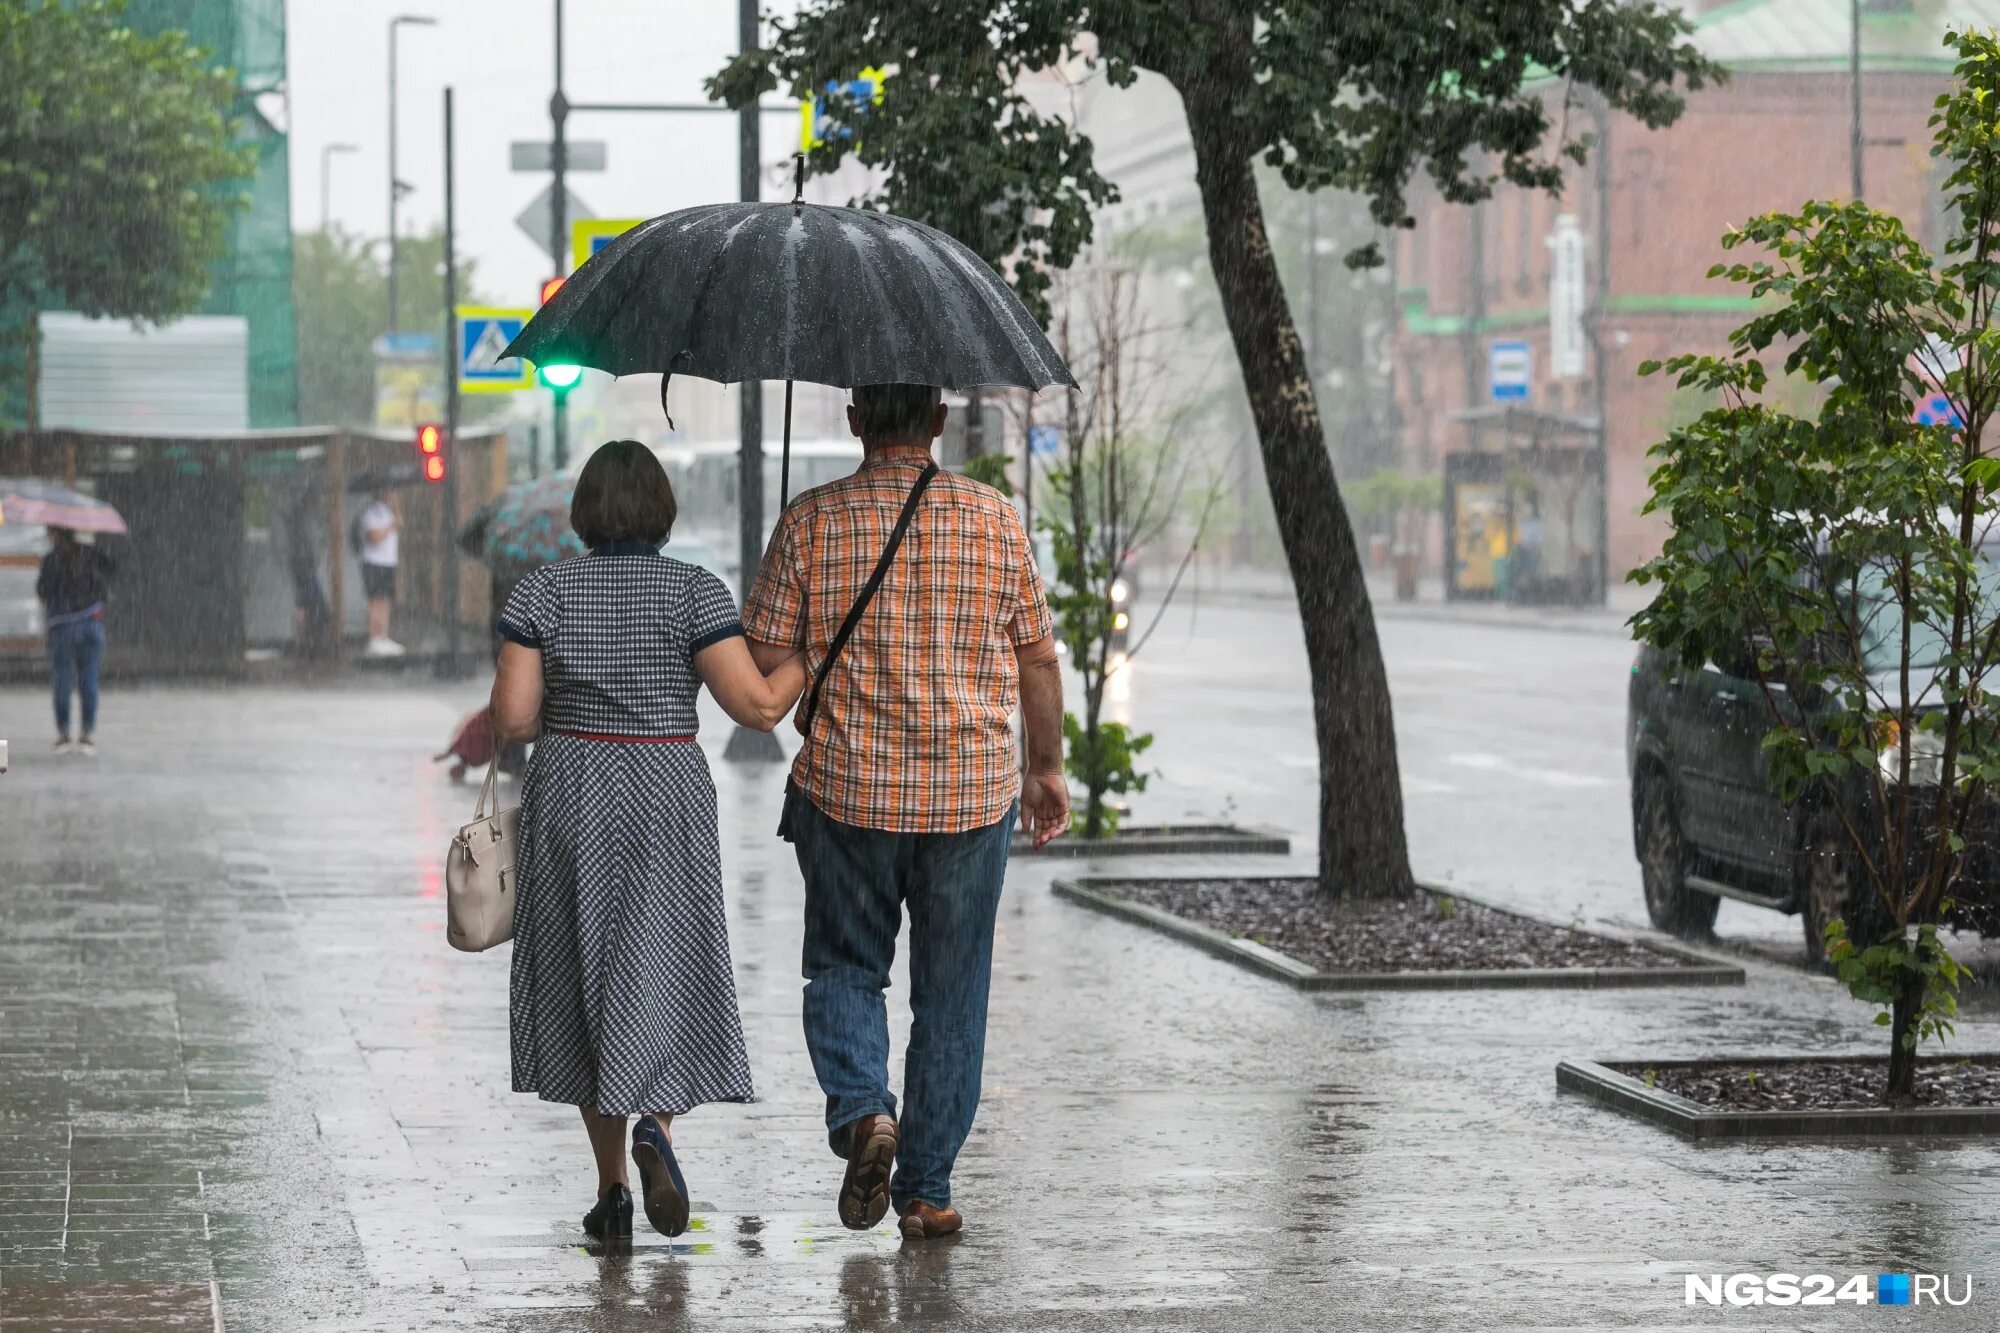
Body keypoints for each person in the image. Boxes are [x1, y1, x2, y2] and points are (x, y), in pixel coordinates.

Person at [743, 383, 1068, 1244]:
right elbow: (1037, 659)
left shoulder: (810, 519)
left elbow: (767, 662)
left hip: (849, 792)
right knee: (953, 996)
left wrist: (814, 638)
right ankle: (925, 1192)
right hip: (970, 795)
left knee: (846, 967)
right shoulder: (995, 518)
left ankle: (862, 1113)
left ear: (855, 420)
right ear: (936, 421)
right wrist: (1048, 768)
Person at [489, 440, 808, 1243]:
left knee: (581, 973)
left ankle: (612, 1193)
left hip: (573, 787)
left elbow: (517, 719)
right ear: (663, 509)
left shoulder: (544, 590)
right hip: (664, 785)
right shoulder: (693, 592)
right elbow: (760, 708)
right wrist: (807, 651)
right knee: (662, 962)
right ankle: (656, 1129)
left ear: (585, 512)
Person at [36, 527, 115, 757]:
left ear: (55, 534)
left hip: (62, 626)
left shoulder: (52, 560)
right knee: (89, 679)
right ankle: (87, 736)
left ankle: (63, 736)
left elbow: (42, 591)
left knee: (62, 680)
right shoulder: (90, 553)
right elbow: (112, 568)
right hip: (92, 623)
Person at [358, 486, 404, 657]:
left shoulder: (389, 512)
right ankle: (374, 637)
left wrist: (397, 508)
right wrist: (391, 524)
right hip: (374, 563)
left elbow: (399, 524)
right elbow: (375, 537)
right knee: (375, 601)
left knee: (385, 600)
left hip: (388, 562)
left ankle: (383, 637)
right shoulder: (371, 513)